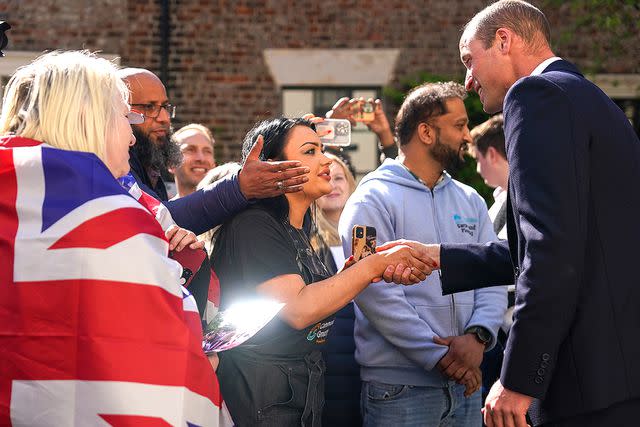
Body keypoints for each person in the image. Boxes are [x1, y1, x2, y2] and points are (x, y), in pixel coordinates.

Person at [410, 1, 640, 425]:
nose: (467, 79)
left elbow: (551, 251)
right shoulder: (589, 98)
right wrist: (437, 256)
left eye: (468, 60)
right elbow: (572, 242)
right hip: (618, 373)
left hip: (586, 382)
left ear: (504, 40)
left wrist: (518, 380)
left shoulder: (536, 95)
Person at [0, 50, 228, 425]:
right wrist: (202, 358)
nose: (133, 137)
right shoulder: (110, 214)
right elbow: (159, 345)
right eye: (127, 116)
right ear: (89, 119)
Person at [210, 117, 435, 427]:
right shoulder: (255, 225)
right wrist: (373, 265)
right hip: (260, 398)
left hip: (296, 396)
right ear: (272, 165)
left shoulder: (295, 229)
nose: (326, 159)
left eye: (322, 150)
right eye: (310, 151)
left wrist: (357, 272)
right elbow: (298, 310)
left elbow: (313, 299)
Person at [338, 82, 507, 427]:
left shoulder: (471, 201)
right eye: (458, 125)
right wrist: (441, 356)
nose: (467, 136)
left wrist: (478, 337)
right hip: (399, 391)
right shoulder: (371, 200)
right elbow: (372, 291)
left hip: (466, 385)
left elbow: (492, 275)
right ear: (426, 132)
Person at [118, 68, 310, 235]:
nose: (165, 118)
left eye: (165, 107)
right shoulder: (113, 166)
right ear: (119, 111)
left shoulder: (144, 164)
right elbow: (161, 221)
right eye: (150, 107)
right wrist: (239, 186)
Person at [310, 152, 361, 427]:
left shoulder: (365, 237)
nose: (334, 184)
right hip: (328, 362)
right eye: (326, 177)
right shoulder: (307, 241)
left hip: (366, 356)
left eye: (340, 177)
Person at [170, 123, 217, 198]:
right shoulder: (162, 209)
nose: (201, 158)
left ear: (214, 164)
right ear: (171, 163)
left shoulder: (233, 208)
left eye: (207, 151)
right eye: (190, 150)